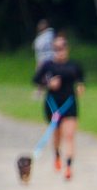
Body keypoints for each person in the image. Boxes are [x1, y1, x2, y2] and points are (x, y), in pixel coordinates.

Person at [32, 35, 85, 181]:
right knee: (57, 135)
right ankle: (56, 155)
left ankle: (68, 167)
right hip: (53, 104)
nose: (60, 51)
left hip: (69, 103)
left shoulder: (74, 65)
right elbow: (36, 80)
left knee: (69, 135)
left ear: (67, 48)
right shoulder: (48, 66)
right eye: (56, 48)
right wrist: (49, 83)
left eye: (62, 47)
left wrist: (81, 87)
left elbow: (80, 80)